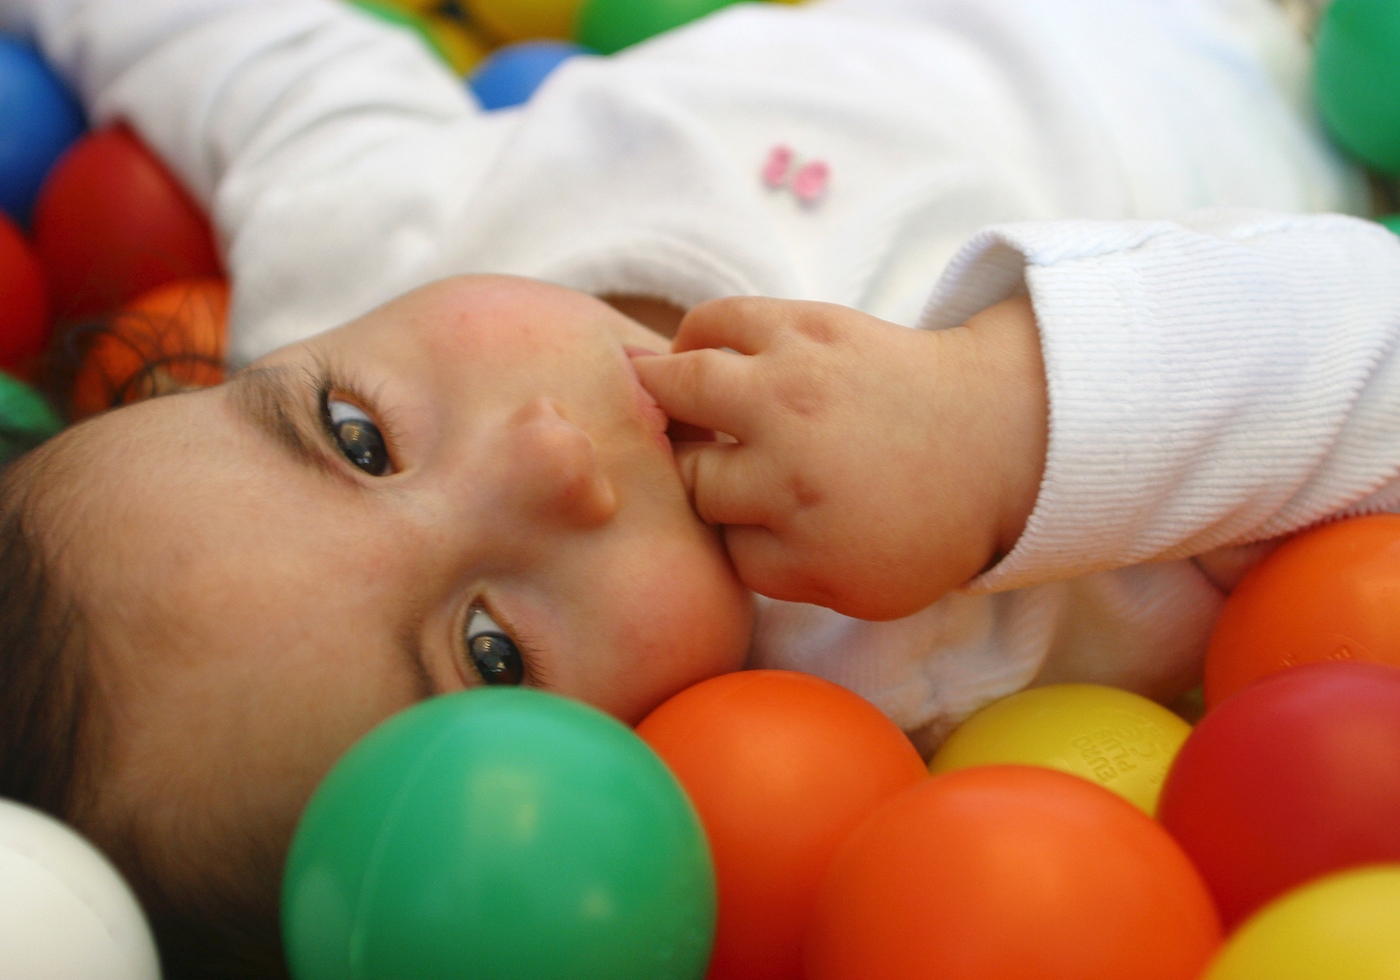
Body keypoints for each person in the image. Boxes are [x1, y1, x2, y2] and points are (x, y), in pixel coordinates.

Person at [0, 0, 1398, 975]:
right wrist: (1009, 422)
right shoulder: (920, 662)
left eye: (358, 439)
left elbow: (235, 39)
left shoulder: (356, 236)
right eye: (493, 647)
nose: (545, 458)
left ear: (228, 363)